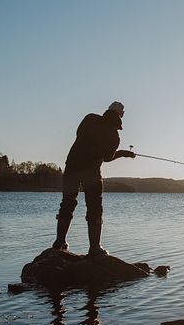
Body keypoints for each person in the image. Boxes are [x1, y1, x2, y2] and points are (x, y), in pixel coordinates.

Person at [52, 101, 135, 256]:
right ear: (121, 115)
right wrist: (123, 153)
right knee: (95, 208)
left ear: (108, 110)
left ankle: (59, 242)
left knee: (67, 203)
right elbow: (108, 158)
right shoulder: (114, 135)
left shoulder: (89, 119)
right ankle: (95, 248)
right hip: (91, 172)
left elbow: (79, 134)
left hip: (72, 167)